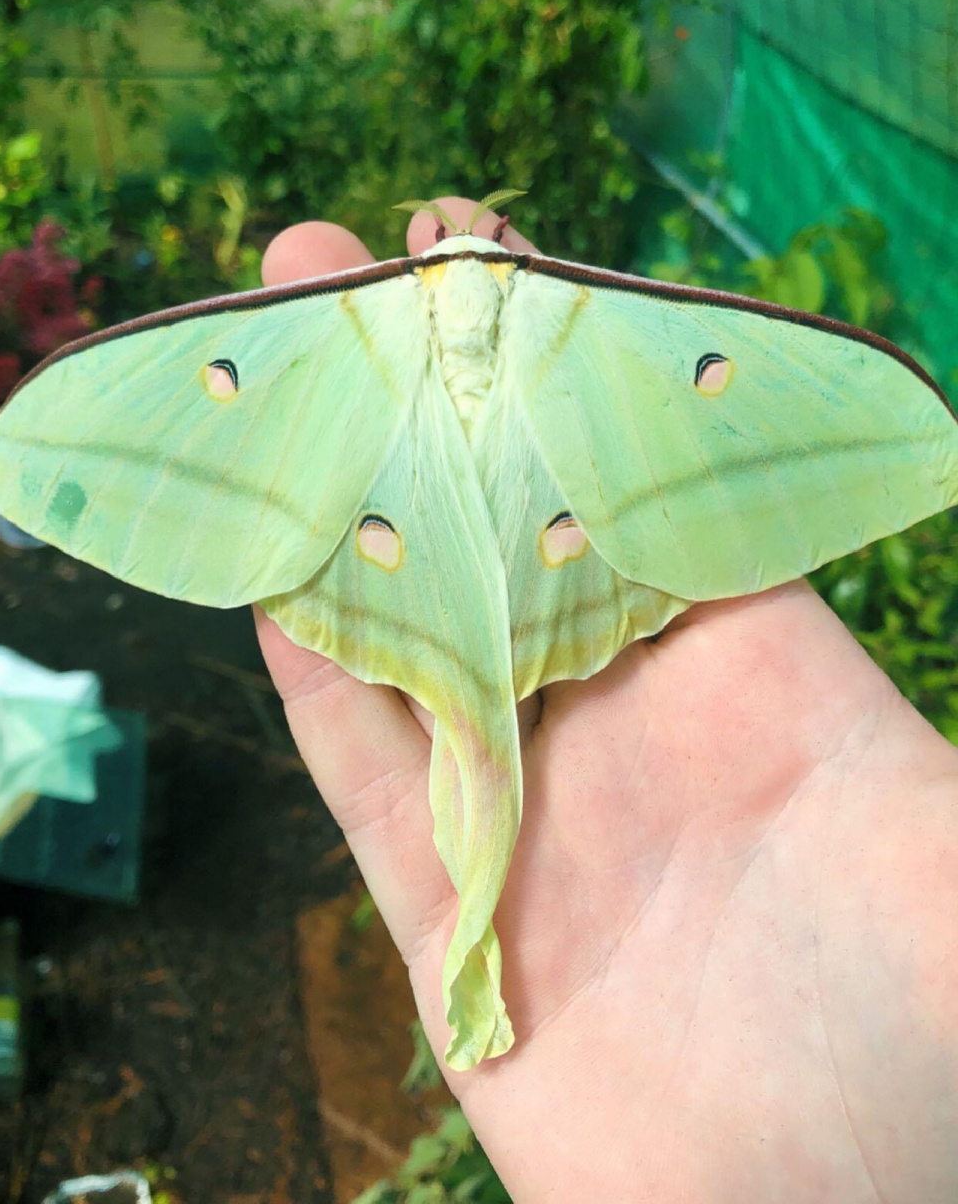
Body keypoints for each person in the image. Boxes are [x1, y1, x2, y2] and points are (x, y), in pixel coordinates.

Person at [256, 198, 958, 1202]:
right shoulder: (563, 307)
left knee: (470, 721)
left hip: (491, 525)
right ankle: (473, 957)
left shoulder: (376, 314)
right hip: (479, 519)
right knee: (467, 718)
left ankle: (476, 957)